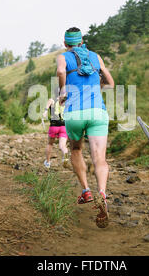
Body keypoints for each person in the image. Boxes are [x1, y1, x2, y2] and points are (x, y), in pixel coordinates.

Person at [56, 27, 115, 227]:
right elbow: (111, 83)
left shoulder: (63, 57)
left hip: (75, 113)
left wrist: (63, 90)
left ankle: (86, 191)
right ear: (82, 41)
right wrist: (98, 88)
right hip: (98, 112)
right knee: (100, 158)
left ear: (65, 43)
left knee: (76, 149)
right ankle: (102, 194)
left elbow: (60, 71)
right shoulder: (96, 57)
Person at [42, 96, 69, 169]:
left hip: (54, 126)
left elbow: (46, 108)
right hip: (64, 126)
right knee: (63, 145)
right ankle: (65, 155)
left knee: (50, 144)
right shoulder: (66, 102)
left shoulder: (52, 100)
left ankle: (47, 162)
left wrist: (45, 112)